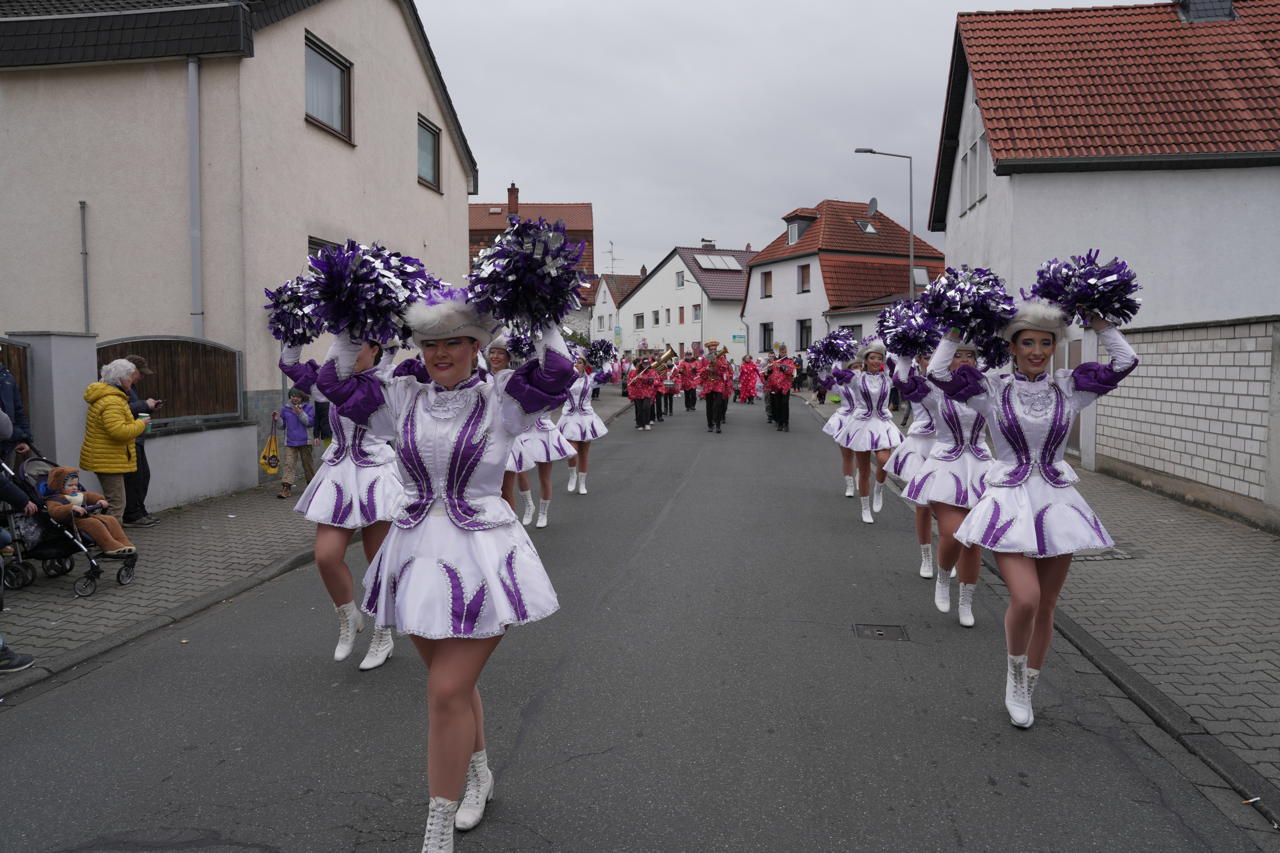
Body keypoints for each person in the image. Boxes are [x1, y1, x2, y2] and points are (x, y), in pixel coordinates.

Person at [316, 290, 573, 851]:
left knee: (445, 688)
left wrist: (545, 312)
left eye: (452, 341)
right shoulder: (402, 396)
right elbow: (333, 386)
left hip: (483, 555)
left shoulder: (505, 398)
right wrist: (350, 327)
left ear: (477, 345)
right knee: (453, 690)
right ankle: (477, 774)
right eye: (429, 343)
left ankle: (438, 824)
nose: (438, 353)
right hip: (414, 557)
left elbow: (559, 373)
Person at [929, 300, 1137, 728]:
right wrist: (953, 329)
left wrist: (1099, 323)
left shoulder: (1070, 389)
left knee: (1047, 605)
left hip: (1058, 503)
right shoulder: (991, 391)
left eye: (1046, 342)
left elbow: (1125, 360)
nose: (1038, 351)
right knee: (1025, 598)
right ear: (1013, 346)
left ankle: (1028, 684)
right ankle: (1013, 672)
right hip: (1008, 503)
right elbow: (938, 374)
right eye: (1028, 342)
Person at [280, 343, 403, 671]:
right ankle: (349, 616)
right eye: (343, 340)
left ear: (374, 348)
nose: (344, 349)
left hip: (375, 473)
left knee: (379, 563)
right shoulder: (329, 380)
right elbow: (290, 365)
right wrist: (293, 333)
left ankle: (383, 633)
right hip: (338, 474)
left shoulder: (386, 379)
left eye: (355, 342)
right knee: (325, 556)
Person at [834, 339, 902, 523]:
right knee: (863, 471)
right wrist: (836, 353)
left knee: (884, 459)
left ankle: (879, 487)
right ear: (865, 360)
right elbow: (837, 374)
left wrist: (899, 342)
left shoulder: (887, 378)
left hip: (881, 422)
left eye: (879, 358)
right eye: (872, 358)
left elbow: (899, 364)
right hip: (861, 424)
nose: (876, 361)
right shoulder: (856, 378)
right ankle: (865, 508)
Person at [886, 354, 942, 577]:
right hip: (921, 446)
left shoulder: (954, 382)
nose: (932, 360)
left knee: (945, 505)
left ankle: (947, 553)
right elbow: (898, 375)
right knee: (923, 505)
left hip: (947, 447)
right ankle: (926, 556)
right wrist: (905, 351)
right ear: (919, 359)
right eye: (927, 356)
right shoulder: (913, 379)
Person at [80, 358, 148, 523]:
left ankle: (107, 537)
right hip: (108, 459)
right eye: (130, 377)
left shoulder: (111, 396)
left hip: (108, 457)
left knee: (114, 502)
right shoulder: (112, 401)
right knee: (116, 504)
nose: (132, 380)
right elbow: (119, 432)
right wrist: (140, 424)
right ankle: (110, 541)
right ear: (121, 379)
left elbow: (115, 426)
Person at [42, 466, 136, 556]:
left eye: (76, 485)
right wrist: (71, 507)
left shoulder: (78, 494)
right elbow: (55, 511)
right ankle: (109, 546)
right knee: (94, 523)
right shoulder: (54, 499)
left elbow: (90, 496)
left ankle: (124, 542)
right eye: (70, 485)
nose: (74, 488)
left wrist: (100, 500)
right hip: (72, 521)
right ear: (59, 486)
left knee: (111, 519)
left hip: (86, 516)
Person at [559, 353, 609, 495]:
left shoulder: (591, 379)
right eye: (574, 362)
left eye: (579, 362)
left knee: (584, 453)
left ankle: (582, 483)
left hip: (586, 419)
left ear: (584, 365)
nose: (576, 364)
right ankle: (572, 475)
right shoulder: (564, 380)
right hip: (569, 419)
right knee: (571, 452)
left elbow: (607, 374)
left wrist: (604, 357)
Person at [122, 354, 162, 528]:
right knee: (135, 478)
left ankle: (139, 510)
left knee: (143, 476)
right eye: (140, 373)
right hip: (129, 439)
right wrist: (145, 405)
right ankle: (132, 515)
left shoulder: (131, 387)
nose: (142, 377)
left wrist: (149, 408)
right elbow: (123, 410)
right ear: (131, 371)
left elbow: (132, 410)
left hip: (136, 437)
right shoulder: (118, 387)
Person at [819, 361, 862, 497]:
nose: (857, 370)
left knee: (862, 454)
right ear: (847, 370)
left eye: (860, 366)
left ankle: (861, 475)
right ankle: (849, 485)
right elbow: (826, 381)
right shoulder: (841, 384)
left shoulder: (867, 382)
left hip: (862, 420)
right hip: (844, 419)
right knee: (847, 455)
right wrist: (820, 365)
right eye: (854, 367)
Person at [274, 388, 316, 500]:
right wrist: (278, 419)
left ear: (302, 397)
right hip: (290, 442)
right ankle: (286, 488)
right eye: (292, 396)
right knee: (289, 464)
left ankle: (312, 487)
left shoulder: (308, 407)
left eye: (297, 396)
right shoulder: (285, 409)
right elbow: (281, 426)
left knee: (308, 465)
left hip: (305, 441)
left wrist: (300, 413)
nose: (295, 398)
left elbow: (310, 423)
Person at [0, 362, 32, 467]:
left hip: (8, 444)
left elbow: (18, 410)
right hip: (7, 435)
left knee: (7, 479)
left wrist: (24, 438)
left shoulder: (8, 378)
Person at [699, 343, 731, 433]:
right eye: (711, 349)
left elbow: (725, 368)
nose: (713, 351)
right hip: (708, 383)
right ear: (708, 350)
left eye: (714, 349)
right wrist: (706, 369)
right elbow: (699, 370)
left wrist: (717, 364)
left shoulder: (721, 357)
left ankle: (718, 425)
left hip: (718, 382)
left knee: (718, 404)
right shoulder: (705, 358)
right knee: (709, 405)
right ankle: (710, 425)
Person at [763, 344, 796, 431]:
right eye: (782, 352)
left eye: (784, 352)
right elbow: (769, 374)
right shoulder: (775, 361)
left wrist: (780, 366)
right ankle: (779, 423)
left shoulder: (789, 361)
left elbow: (790, 371)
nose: (783, 353)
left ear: (786, 352)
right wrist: (768, 370)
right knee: (778, 405)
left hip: (785, 386)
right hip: (776, 386)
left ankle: (786, 423)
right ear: (779, 352)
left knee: (785, 404)